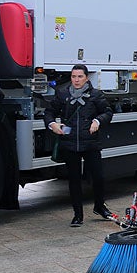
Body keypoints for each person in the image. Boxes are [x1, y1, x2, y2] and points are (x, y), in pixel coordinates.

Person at [44, 64, 113, 226]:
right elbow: (49, 112)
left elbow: (108, 112)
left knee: (98, 177)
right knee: (74, 180)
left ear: (86, 78)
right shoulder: (62, 94)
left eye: (80, 77)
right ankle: (78, 214)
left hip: (90, 142)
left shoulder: (95, 95)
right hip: (69, 143)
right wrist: (52, 124)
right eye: (74, 77)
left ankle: (99, 206)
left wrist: (97, 121)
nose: (76, 80)